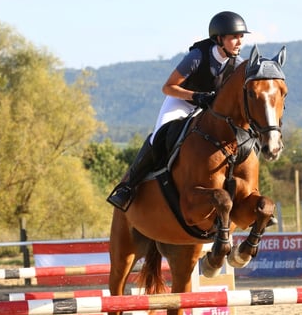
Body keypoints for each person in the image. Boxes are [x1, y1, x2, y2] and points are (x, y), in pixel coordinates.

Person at [106, 11, 250, 211]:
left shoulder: (238, 64)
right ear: (219, 39)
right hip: (181, 102)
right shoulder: (197, 56)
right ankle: (128, 187)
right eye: (234, 37)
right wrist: (195, 96)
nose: (239, 42)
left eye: (241, 37)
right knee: (160, 137)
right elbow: (168, 87)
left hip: (208, 110)